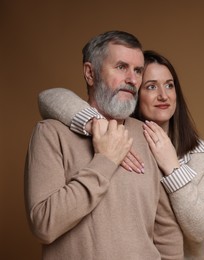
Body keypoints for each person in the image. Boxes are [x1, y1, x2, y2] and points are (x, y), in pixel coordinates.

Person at [38, 50, 204, 259]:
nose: (163, 95)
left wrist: (172, 168)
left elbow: (202, 229)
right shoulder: (114, 139)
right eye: (151, 86)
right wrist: (103, 130)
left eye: (170, 85)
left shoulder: (200, 153)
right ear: (133, 92)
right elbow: (49, 97)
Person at [24, 31, 183, 260]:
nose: (132, 79)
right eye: (121, 67)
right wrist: (105, 161)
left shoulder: (148, 134)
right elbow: (44, 225)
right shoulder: (51, 134)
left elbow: (167, 232)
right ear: (90, 73)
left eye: (138, 70)